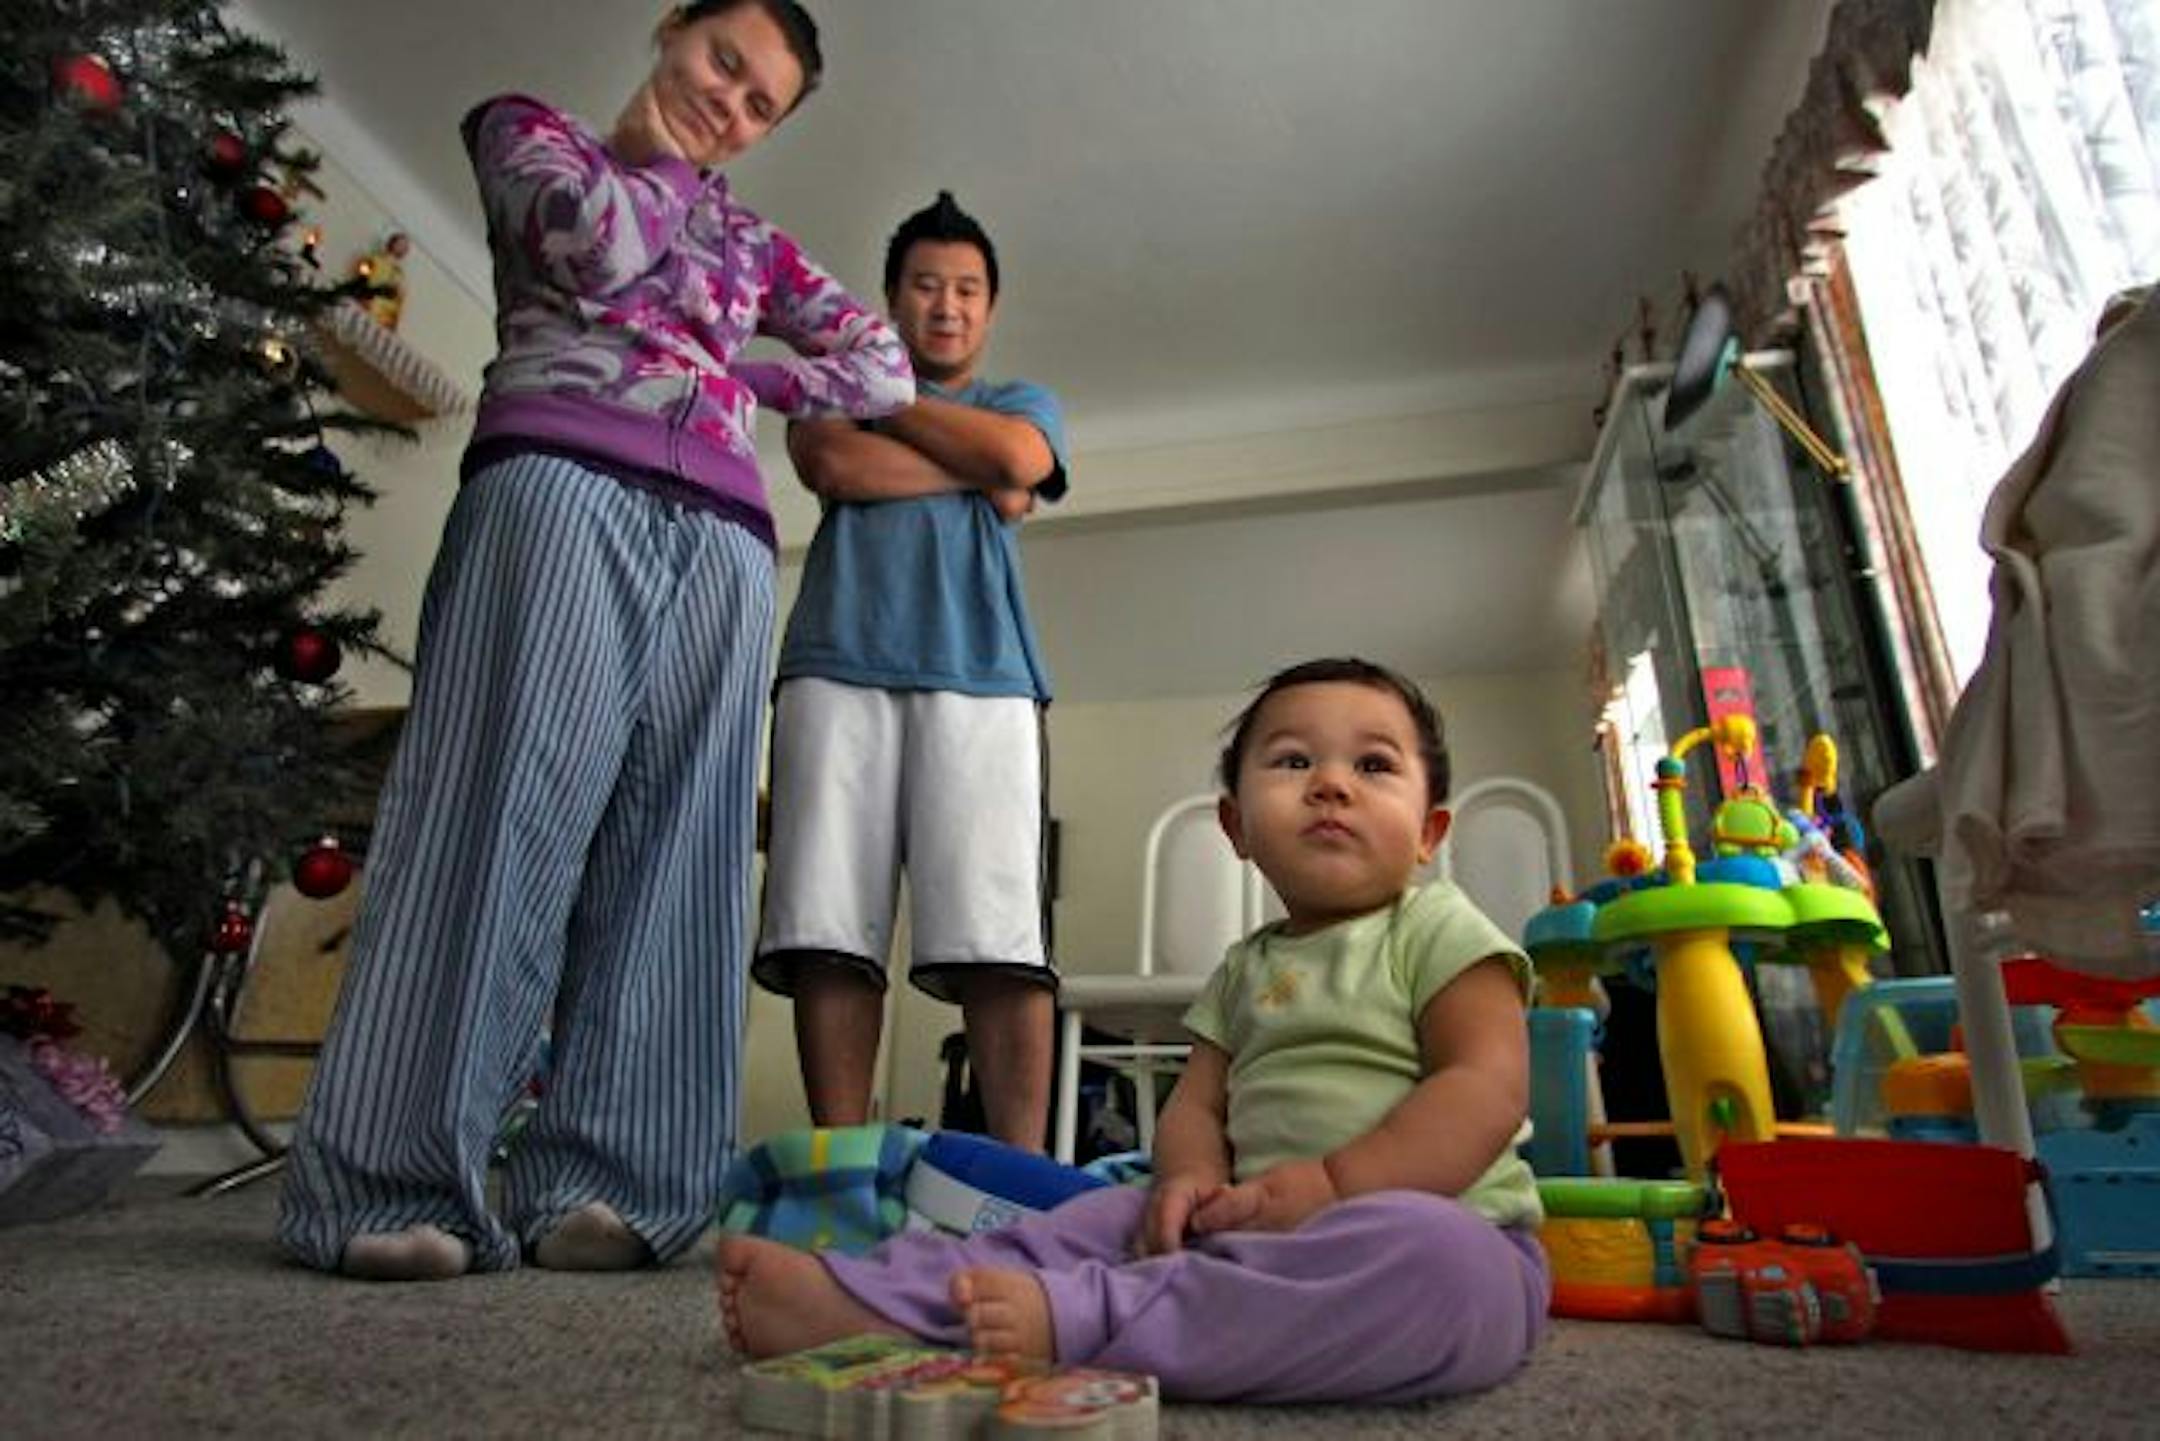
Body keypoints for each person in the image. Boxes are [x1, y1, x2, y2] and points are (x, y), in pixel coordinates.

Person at [277, 0, 913, 1282]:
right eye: (724, 62)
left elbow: (883, 369)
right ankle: (395, 1182)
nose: (728, 107)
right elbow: (594, 248)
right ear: (673, 25)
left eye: (759, 106)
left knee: (683, 848)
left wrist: (750, 373)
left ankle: (615, 1181)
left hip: (729, 538)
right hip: (558, 485)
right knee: (495, 814)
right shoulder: (533, 137)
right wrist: (680, 180)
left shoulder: (756, 241)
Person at [720, 659, 1550, 1403]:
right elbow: (1196, 1105)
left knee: (1441, 1267)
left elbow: (1483, 1086)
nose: (1332, 783)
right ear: (1236, 826)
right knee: (1084, 1220)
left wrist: (1335, 1185)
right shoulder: (1242, 968)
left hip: (1440, 1227)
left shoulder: (1440, 927)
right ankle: (872, 1297)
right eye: (1294, 761)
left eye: (1373, 764)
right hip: (1236, 1226)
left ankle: (1091, 1319)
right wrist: (1187, 1180)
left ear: (1430, 834)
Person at [754, 192, 1069, 1151]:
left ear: (990, 306)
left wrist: (909, 425)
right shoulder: (834, 388)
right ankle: (839, 1170)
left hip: (984, 674)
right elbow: (832, 468)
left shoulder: (1018, 400)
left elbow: (1023, 452)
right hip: (832, 666)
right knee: (825, 925)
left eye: (967, 289)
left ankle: (1018, 1178)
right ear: (893, 300)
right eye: (927, 286)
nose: (947, 305)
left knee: (1000, 938)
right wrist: (983, 480)